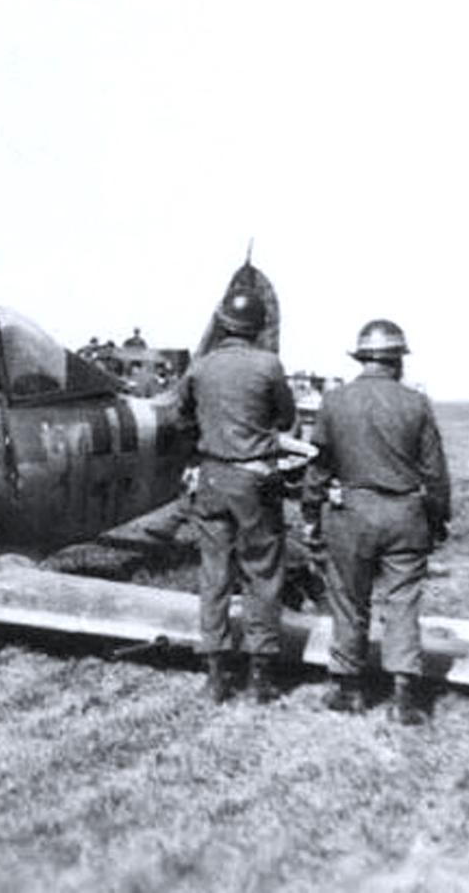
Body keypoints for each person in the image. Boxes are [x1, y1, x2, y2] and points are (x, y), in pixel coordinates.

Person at [302, 320, 450, 725]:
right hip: (405, 514)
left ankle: (348, 688)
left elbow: (319, 469)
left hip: (352, 513)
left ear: (361, 358)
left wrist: (311, 513)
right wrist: (438, 518)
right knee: (402, 603)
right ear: (397, 361)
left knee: (348, 600)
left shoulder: (334, 402)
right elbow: (435, 472)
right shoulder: (416, 403)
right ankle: (403, 695)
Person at [178, 286, 296, 704]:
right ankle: (261, 675)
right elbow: (287, 416)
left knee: (215, 574)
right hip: (254, 479)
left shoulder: (201, 367)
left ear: (223, 323)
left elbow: (181, 417)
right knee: (262, 572)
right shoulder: (269, 365)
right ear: (258, 327)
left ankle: (215, 674)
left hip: (212, 479)